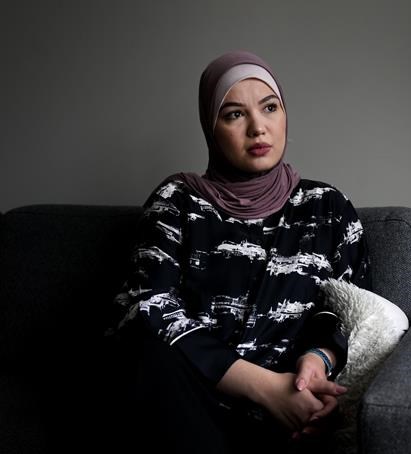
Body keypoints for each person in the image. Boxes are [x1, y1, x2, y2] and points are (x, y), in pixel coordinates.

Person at [104, 50, 371, 454]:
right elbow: (149, 310)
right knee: (146, 352)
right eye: (234, 115)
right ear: (211, 128)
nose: (258, 128)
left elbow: (351, 310)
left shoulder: (327, 207)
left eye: (270, 107)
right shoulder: (177, 202)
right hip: (191, 405)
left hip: (295, 414)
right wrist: (266, 388)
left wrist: (317, 364)